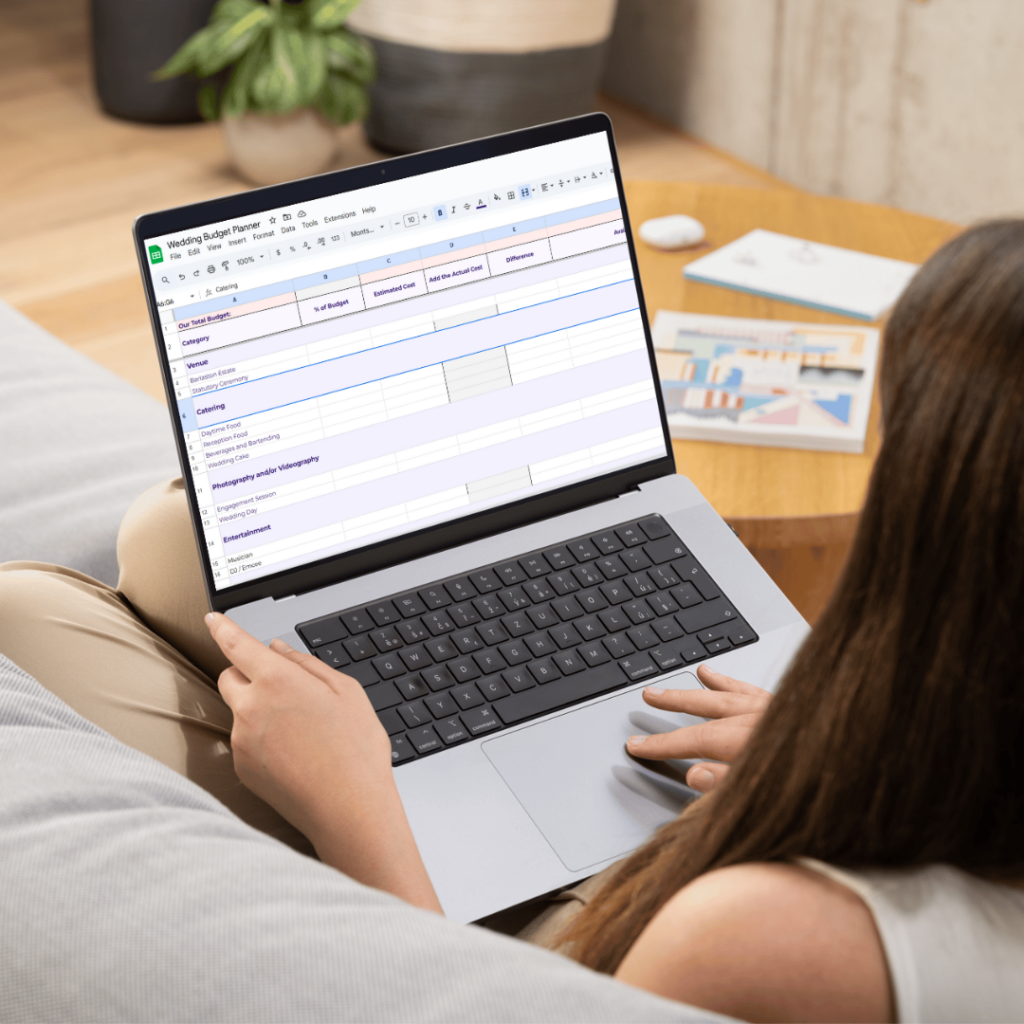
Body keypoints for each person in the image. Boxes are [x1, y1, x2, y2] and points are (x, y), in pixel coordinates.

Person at [3, 220, 1024, 1022]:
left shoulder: (771, 939)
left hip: (545, 924)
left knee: (36, 615)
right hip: (734, 816)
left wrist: (356, 810)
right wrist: (820, 750)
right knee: (178, 545)